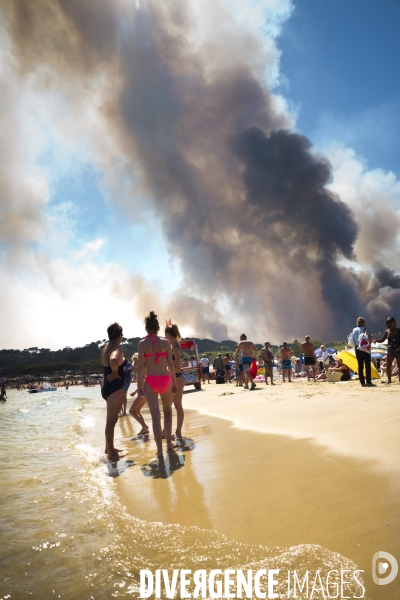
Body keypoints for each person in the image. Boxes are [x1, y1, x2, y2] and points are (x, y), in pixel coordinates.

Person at [137, 311, 177, 458]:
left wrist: (139, 386)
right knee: (167, 412)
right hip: (165, 380)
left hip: (151, 382)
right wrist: (173, 383)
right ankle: (169, 445)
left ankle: (159, 452)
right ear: (158, 328)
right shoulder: (166, 343)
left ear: (146, 329)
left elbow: (141, 368)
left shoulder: (142, 344)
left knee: (155, 417)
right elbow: (171, 366)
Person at [101, 323, 132, 460]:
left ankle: (109, 448)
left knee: (111, 421)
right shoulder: (116, 348)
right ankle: (111, 454)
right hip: (114, 389)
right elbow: (114, 359)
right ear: (119, 336)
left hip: (108, 388)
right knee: (111, 421)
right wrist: (115, 373)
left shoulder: (105, 348)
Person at [165, 322, 185, 440]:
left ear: (169, 333)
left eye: (166, 334)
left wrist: (167, 370)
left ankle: (178, 432)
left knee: (176, 405)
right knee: (172, 405)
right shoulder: (174, 345)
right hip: (175, 377)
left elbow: (177, 366)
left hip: (176, 378)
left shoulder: (176, 347)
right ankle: (168, 431)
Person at [373, 317, 400, 384]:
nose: (390, 323)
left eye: (391, 321)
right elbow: (382, 339)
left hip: (398, 349)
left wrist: (399, 348)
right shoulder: (387, 331)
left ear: (394, 322)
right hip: (390, 349)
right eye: (388, 322)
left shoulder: (399, 330)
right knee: (388, 365)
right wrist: (377, 340)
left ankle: (399, 380)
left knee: (399, 365)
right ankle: (389, 380)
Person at [349, 317, 374, 387]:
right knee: (367, 365)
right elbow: (369, 338)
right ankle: (368, 381)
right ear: (364, 323)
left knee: (360, 366)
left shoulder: (354, 330)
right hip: (365, 348)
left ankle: (362, 382)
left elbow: (352, 339)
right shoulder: (365, 329)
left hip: (357, 348)